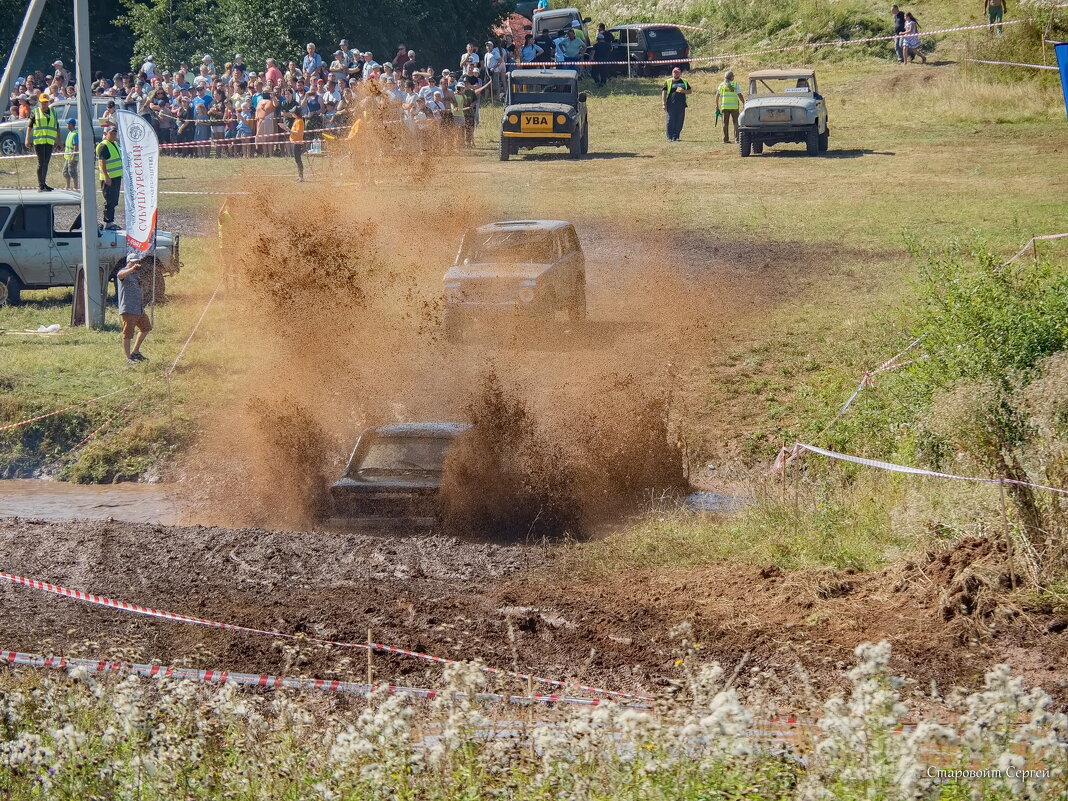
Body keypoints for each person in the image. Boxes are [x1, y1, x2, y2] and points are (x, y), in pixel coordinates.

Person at [117, 253, 152, 363]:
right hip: (129, 308)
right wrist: (131, 269)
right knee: (127, 333)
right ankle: (128, 358)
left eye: (137, 261)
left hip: (139, 308)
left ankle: (135, 352)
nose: (136, 263)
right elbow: (120, 275)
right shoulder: (125, 271)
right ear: (129, 262)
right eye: (134, 261)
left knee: (146, 328)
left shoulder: (137, 274)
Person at [25, 94, 58, 191]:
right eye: (42, 102)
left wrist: (59, 139)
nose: (44, 104)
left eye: (46, 102)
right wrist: (27, 139)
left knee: (46, 162)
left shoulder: (52, 112)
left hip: (49, 141)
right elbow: (29, 126)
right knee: (41, 162)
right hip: (39, 141)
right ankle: (40, 184)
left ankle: (44, 183)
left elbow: (57, 126)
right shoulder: (35, 112)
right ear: (39, 102)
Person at [97, 126, 122, 228]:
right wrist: (106, 176)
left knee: (114, 200)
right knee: (109, 200)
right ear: (106, 134)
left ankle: (110, 221)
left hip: (116, 176)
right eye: (111, 133)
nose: (113, 135)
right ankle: (108, 222)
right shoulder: (104, 146)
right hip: (109, 178)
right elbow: (102, 162)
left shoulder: (115, 144)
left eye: (114, 133)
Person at [661, 66, 691, 142]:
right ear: (672, 73)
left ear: (680, 73)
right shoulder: (668, 81)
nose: (676, 73)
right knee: (670, 120)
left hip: (681, 105)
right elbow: (664, 93)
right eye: (674, 72)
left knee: (679, 121)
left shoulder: (684, 81)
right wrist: (664, 104)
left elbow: (690, 91)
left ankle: (676, 136)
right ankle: (669, 137)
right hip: (671, 104)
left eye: (677, 72)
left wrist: (683, 91)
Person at [715, 70, 743, 144]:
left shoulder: (721, 85)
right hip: (734, 107)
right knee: (736, 123)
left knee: (725, 123)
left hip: (724, 107)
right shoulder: (735, 84)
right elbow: (739, 95)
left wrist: (717, 106)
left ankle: (725, 139)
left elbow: (717, 96)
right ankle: (737, 139)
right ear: (731, 77)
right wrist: (744, 103)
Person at [279, 106, 306, 182]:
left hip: (297, 142)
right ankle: (300, 176)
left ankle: (301, 177)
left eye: (293, 112)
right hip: (295, 142)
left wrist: (288, 130)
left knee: (298, 159)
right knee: (297, 159)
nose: (291, 113)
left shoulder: (299, 121)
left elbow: (299, 133)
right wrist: (286, 129)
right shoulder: (297, 120)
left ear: (296, 113)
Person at [61, 118, 78, 190]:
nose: (66, 125)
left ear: (71, 125)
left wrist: (73, 157)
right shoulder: (70, 133)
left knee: (72, 172)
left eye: (67, 123)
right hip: (68, 157)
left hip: (72, 157)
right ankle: (67, 186)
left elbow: (76, 146)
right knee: (65, 172)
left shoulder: (75, 134)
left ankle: (76, 187)